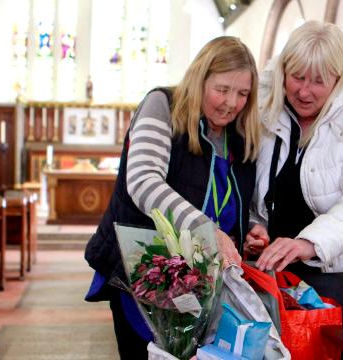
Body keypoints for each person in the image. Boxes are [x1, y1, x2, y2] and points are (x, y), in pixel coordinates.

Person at [84, 36, 259, 359]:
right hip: (147, 272)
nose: (231, 103)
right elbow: (143, 182)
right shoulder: (163, 105)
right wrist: (209, 231)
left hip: (202, 286)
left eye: (243, 94)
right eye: (222, 89)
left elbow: (227, 200)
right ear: (199, 78)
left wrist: (248, 229)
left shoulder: (239, 134)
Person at [246, 21, 343, 325]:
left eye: (318, 81)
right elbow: (260, 193)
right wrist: (258, 228)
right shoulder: (267, 113)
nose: (304, 91)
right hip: (284, 276)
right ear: (282, 73)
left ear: (338, 79)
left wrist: (308, 244)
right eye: (296, 77)